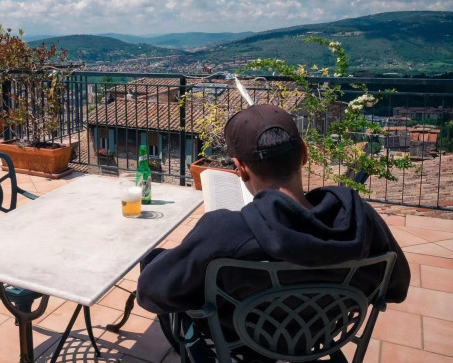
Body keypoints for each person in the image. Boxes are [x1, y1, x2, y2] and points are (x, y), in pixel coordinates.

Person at [136, 104, 410, 361]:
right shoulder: (361, 219)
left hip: (243, 341)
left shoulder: (225, 232)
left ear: (241, 169)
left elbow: (151, 293)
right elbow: (396, 289)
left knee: (156, 261)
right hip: (318, 334)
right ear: (304, 153)